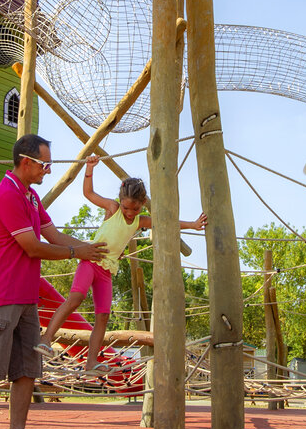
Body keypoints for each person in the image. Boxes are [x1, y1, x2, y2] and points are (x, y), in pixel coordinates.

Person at [0, 134, 108, 429]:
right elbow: (33, 247)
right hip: (0, 294)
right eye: (45, 164)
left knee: (26, 369)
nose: (48, 170)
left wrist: (92, 249)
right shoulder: (7, 195)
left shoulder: (31, 196)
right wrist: (75, 252)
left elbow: (53, 236)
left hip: (26, 298)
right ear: (27, 162)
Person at [35, 155, 207, 374]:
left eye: (134, 209)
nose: (129, 213)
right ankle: (46, 338)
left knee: (103, 316)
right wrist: (89, 169)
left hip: (107, 271)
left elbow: (166, 223)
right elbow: (89, 193)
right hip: (90, 261)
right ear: (120, 201)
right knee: (76, 298)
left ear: (143, 205)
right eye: (126, 208)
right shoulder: (113, 208)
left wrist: (193, 225)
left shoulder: (140, 221)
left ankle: (91, 363)